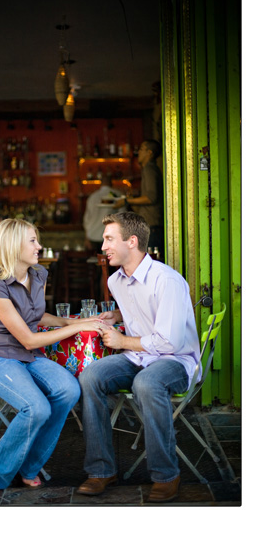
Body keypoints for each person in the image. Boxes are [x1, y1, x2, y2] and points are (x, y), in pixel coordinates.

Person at [0, 218, 103, 495]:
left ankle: (29, 467)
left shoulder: (38, 274)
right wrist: (77, 327)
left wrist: (66, 322)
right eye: (32, 241)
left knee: (68, 389)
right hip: (0, 359)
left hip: (30, 358)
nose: (39, 246)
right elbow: (27, 337)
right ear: (13, 245)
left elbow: (35, 315)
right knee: (37, 407)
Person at [76, 211, 199, 502]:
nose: (103, 245)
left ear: (132, 241)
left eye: (109, 239)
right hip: (138, 358)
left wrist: (121, 341)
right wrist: (116, 315)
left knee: (146, 383)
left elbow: (169, 341)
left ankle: (166, 475)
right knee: (90, 376)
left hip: (176, 361)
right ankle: (101, 470)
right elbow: (141, 309)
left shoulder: (166, 280)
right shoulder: (116, 281)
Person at [114, 140, 164, 258]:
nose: (138, 152)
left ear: (149, 153)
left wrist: (127, 201)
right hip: (151, 226)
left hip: (153, 227)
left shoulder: (149, 169)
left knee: (149, 266)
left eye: (141, 149)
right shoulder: (149, 169)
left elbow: (151, 198)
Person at [83, 183, 125, 251]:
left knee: (96, 260)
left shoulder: (92, 196)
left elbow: (86, 220)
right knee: (109, 260)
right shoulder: (118, 195)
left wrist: (86, 238)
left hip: (93, 235)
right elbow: (122, 217)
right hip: (109, 237)